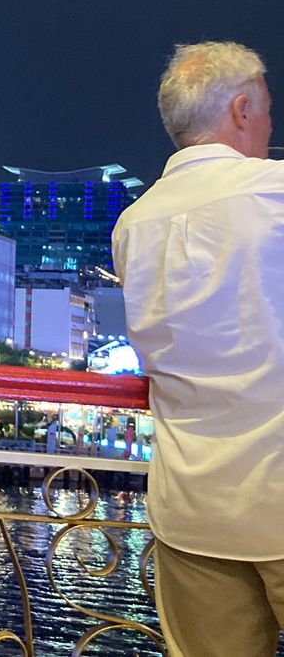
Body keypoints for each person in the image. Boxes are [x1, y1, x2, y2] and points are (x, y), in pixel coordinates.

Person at [112, 41, 284, 656]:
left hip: (190, 508)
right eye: (267, 110)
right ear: (242, 109)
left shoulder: (132, 223)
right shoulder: (273, 191)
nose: (270, 127)